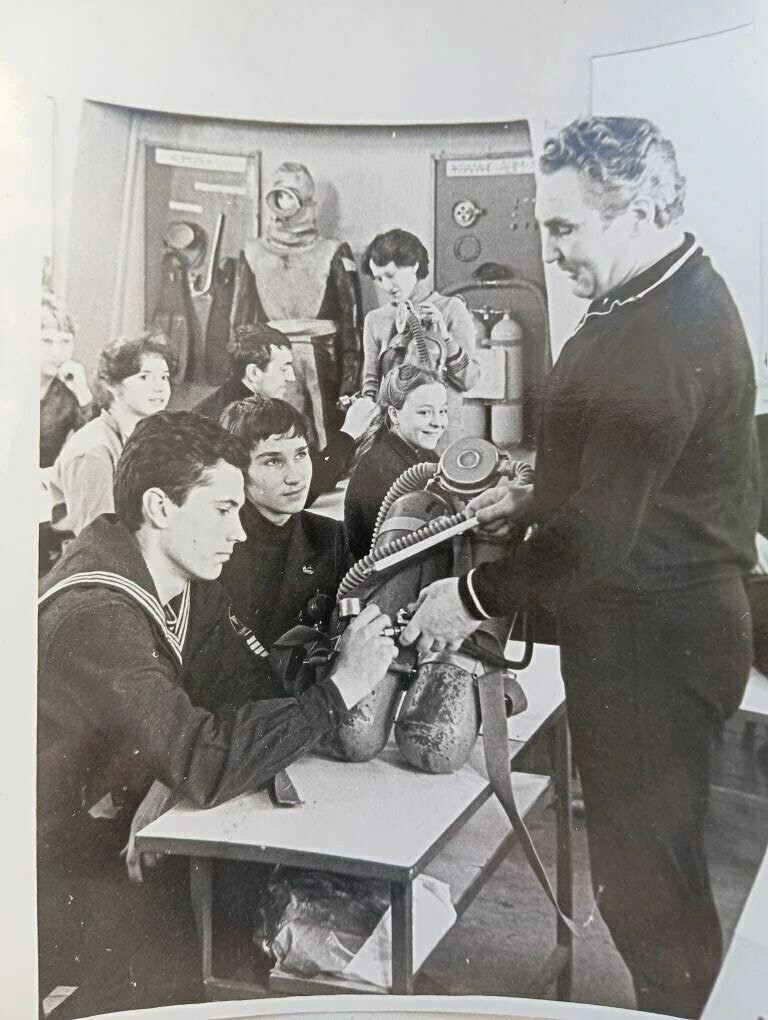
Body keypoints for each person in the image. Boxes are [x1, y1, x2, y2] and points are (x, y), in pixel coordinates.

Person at [401, 116, 759, 1018]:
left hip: (656, 643)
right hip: (648, 626)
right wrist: (531, 494)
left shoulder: (664, 335)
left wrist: (472, 596)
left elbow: (599, 536)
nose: (550, 250)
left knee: (648, 888)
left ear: (637, 210)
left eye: (564, 228)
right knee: (649, 875)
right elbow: (624, 471)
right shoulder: (644, 296)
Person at [37, 410, 396, 1018]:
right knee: (194, 962)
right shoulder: (98, 612)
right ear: (160, 507)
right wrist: (340, 690)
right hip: (44, 861)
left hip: (106, 823)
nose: (240, 532)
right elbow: (204, 759)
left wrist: (167, 775)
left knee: (233, 928)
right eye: (224, 509)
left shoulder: (184, 579)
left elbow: (249, 688)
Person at [217, 396, 352, 689]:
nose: (295, 477)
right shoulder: (215, 548)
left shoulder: (329, 536)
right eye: (273, 461)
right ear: (237, 470)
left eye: (301, 454)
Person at [222, 161, 364, 421]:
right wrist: (239, 380)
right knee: (275, 428)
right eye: (278, 196)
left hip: (325, 362)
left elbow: (352, 325)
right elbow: (239, 324)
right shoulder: (253, 252)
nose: (283, 204)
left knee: (325, 434)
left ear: (306, 201)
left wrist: (350, 384)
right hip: (270, 362)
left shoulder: (332, 251)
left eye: (290, 196)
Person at [195, 323, 377, 501]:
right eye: (284, 368)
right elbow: (303, 488)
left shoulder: (249, 404)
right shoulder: (238, 418)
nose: (291, 377)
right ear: (254, 373)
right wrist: (350, 431)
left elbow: (316, 470)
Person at [49, 331, 176, 536]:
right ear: (112, 385)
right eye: (145, 377)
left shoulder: (150, 438)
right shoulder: (93, 450)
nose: (160, 387)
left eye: (164, 377)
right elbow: (99, 539)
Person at [360, 228, 479, 440]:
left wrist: (446, 338)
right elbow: (371, 382)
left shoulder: (451, 309)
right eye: (378, 278)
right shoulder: (375, 320)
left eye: (390, 275)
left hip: (440, 438)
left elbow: (468, 380)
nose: (386, 286)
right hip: (394, 438)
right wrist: (367, 405)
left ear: (414, 265)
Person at [344, 364, 448, 560]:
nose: (438, 422)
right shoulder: (381, 467)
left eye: (442, 411)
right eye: (424, 412)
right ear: (394, 414)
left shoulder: (425, 455)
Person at [40, 289, 93, 469]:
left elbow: (94, 447)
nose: (57, 352)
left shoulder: (67, 395)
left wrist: (84, 396)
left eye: (65, 342)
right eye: (47, 341)